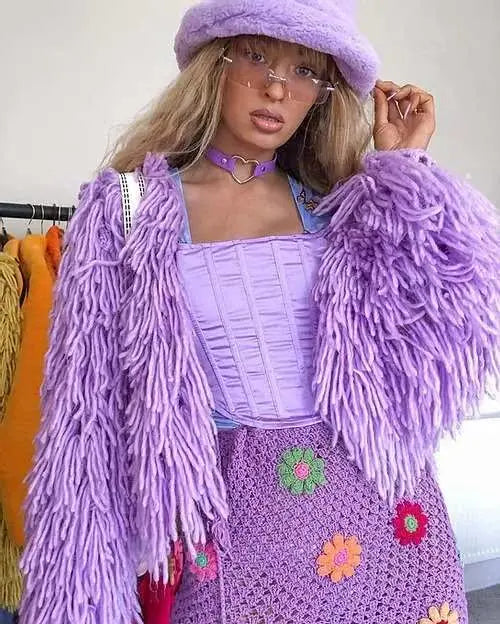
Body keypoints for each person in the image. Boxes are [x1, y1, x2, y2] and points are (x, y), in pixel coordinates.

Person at [18, 1, 500, 623]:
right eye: (256, 56)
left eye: (305, 70)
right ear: (214, 63)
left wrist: (403, 169)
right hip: (233, 526)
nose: (277, 88)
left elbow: (439, 331)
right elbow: (84, 420)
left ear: (323, 93)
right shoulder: (127, 211)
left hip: (382, 513)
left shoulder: (336, 208)